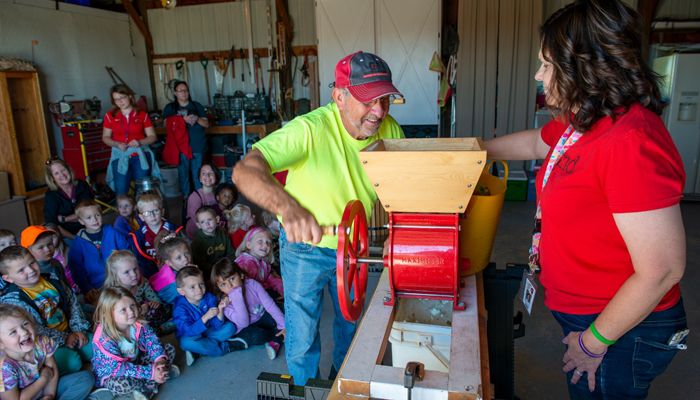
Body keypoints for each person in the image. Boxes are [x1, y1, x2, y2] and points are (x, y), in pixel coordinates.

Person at [484, 1, 687, 398]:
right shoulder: (585, 121)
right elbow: (535, 143)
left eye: (547, 64)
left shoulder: (630, 141)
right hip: (588, 315)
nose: (538, 75)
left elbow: (661, 270)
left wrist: (592, 342)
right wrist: (475, 151)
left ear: (583, 67)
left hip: (620, 330)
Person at [232, 51, 405, 385]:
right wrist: (288, 208)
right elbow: (245, 170)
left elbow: (403, 190)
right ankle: (305, 389)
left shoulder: (391, 132)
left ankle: (342, 384)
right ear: (339, 97)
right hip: (305, 251)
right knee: (303, 332)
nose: (379, 111)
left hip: (354, 249)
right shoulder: (309, 130)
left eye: (385, 100)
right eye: (368, 101)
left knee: (349, 325)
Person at [0, 246, 92, 376]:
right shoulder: (13, 301)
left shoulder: (52, 279)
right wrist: (64, 338)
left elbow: (73, 303)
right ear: (8, 278)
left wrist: (78, 329)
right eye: (21, 270)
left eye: (31, 263)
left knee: (96, 346)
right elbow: (34, 328)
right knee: (73, 362)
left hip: (72, 330)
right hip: (45, 344)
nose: (30, 270)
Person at [92, 287, 177, 399]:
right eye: (123, 310)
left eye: (132, 305)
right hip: (115, 373)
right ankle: (157, 379)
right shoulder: (104, 338)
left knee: (168, 349)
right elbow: (119, 368)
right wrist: (150, 372)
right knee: (121, 384)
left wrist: (159, 360)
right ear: (109, 314)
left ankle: (151, 384)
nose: (131, 312)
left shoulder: (138, 322)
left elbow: (152, 341)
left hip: (136, 360)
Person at [0, 304, 94, 400]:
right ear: (1, 343)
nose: (24, 332)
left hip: (47, 388)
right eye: (13, 332)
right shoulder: (5, 369)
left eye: (25, 324)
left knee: (86, 378)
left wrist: (49, 395)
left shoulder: (42, 342)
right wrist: (43, 379)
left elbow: (53, 368)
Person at [212, 258, 285, 360]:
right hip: (246, 327)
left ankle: (280, 334)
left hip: (262, 315)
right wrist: (237, 297)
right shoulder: (225, 304)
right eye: (223, 284)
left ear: (241, 275)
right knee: (258, 336)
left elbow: (269, 305)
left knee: (283, 311)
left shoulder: (252, 284)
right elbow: (244, 322)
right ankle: (276, 338)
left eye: (232, 279)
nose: (230, 286)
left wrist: (283, 325)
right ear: (219, 288)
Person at [172, 266, 244, 367]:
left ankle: (199, 350)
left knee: (230, 327)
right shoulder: (179, 308)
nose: (199, 290)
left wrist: (220, 309)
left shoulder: (209, 297)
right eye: (192, 287)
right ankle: (224, 348)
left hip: (209, 332)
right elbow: (188, 331)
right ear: (181, 291)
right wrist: (205, 317)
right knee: (184, 343)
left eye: (201, 284)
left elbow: (217, 325)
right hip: (193, 336)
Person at [67, 199, 131, 304]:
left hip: (120, 280)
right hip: (96, 287)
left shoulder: (111, 231)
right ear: (81, 221)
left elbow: (127, 250)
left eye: (97, 215)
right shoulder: (78, 242)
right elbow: (76, 269)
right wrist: (87, 288)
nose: (94, 220)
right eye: (89, 217)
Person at [102, 84, 159, 196]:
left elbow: (152, 136)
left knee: (143, 191)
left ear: (130, 96)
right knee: (121, 190)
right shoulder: (110, 116)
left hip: (140, 156)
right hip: (120, 156)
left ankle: (142, 213)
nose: (120, 102)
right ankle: (124, 214)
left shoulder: (142, 115)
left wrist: (140, 142)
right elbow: (105, 137)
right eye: (116, 99)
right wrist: (116, 144)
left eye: (122, 98)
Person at [103, 251, 170, 333]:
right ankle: (156, 330)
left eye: (135, 269)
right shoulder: (114, 293)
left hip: (145, 314)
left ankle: (157, 329)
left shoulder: (142, 282)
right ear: (115, 276)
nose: (134, 274)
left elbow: (154, 298)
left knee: (164, 307)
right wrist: (138, 311)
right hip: (128, 319)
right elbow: (116, 317)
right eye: (126, 272)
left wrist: (154, 303)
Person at [162, 80, 210, 196]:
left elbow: (207, 124)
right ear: (175, 93)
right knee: (183, 175)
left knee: (197, 175)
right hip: (180, 147)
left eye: (186, 90)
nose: (184, 93)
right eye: (180, 91)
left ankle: (200, 198)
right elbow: (165, 124)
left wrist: (197, 118)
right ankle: (187, 200)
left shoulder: (196, 106)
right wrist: (181, 120)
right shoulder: (170, 108)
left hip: (197, 146)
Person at [129, 192, 181, 278]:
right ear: (141, 217)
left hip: (172, 269)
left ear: (162, 212)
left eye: (156, 210)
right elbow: (140, 258)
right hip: (150, 272)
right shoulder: (139, 235)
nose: (152, 215)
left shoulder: (173, 230)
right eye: (147, 213)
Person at [43, 157, 94, 240]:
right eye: (56, 173)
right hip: (66, 235)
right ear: (52, 178)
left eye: (63, 170)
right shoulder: (51, 195)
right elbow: (52, 223)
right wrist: (74, 238)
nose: (62, 175)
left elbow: (90, 209)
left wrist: (65, 219)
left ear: (68, 170)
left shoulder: (82, 185)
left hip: (89, 227)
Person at [234, 227, 283, 299]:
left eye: (268, 242)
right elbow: (246, 287)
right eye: (260, 241)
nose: (265, 245)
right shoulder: (244, 262)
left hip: (260, 294)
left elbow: (271, 279)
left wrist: (283, 291)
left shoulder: (264, 263)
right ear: (249, 245)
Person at [191, 206, 234, 280]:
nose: (207, 224)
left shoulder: (223, 234)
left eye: (209, 220)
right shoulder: (197, 242)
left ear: (217, 219)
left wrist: (229, 266)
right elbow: (201, 264)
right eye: (202, 222)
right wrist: (218, 270)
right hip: (209, 273)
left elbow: (231, 253)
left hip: (225, 267)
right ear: (198, 225)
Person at [149, 233, 193, 304]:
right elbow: (184, 303)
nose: (185, 258)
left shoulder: (173, 264)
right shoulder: (175, 286)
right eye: (179, 258)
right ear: (169, 262)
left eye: (186, 253)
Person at [184, 164, 219, 239]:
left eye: (211, 173)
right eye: (203, 173)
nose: (207, 176)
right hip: (197, 234)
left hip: (214, 229)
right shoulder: (195, 197)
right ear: (200, 178)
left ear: (216, 177)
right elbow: (197, 222)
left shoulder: (219, 194)